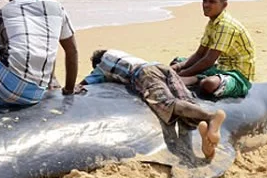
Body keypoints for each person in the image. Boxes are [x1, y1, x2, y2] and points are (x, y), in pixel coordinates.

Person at [81, 49, 227, 160]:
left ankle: (211, 117)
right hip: (160, 67)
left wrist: (77, 85)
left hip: (144, 73)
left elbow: (88, 81)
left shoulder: (101, 66)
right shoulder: (117, 53)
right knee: (186, 103)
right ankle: (204, 141)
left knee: (167, 104)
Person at [171, 0, 256, 99]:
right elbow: (200, 54)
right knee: (177, 62)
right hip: (220, 67)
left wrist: (180, 75)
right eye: (204, 0)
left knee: (208, 84)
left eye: (212, 2)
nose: (206, 5)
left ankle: (195, 79)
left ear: (224, 5)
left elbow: (209, 60)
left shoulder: (226, 26)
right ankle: (193, 78)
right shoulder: (212, 23)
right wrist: (177, 68)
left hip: (238, 75)